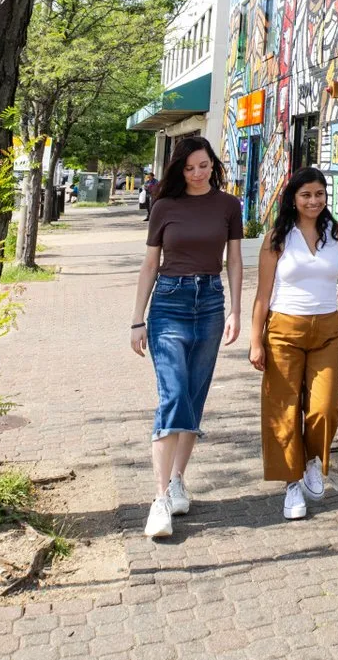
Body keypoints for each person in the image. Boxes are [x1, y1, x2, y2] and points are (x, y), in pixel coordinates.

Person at [249, 166, 338, 521]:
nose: (313, 201)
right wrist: (255, 342)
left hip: (326, 331)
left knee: (325, 408)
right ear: (293, 198)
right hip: (282, 331)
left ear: (327, 197)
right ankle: (291, 483)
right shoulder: (278, 236)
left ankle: (310, 460)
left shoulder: (337, 233)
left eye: (319, 194)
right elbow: (262, 295)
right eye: (306, 195)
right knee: (283, 411)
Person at [129, 138, 244, 540]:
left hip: (210, 303)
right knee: (174, 395)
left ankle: (178, 481)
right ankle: (159, 500)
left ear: (213, 165)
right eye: (190, 167)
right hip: (169, 304)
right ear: (179, 170)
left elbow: (234, 260)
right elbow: (149, 266)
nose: (197, 173)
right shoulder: (163, 207)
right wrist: (136, 319)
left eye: (204, 165)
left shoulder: (229, 206)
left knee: (194, 397)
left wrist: (235, 311)